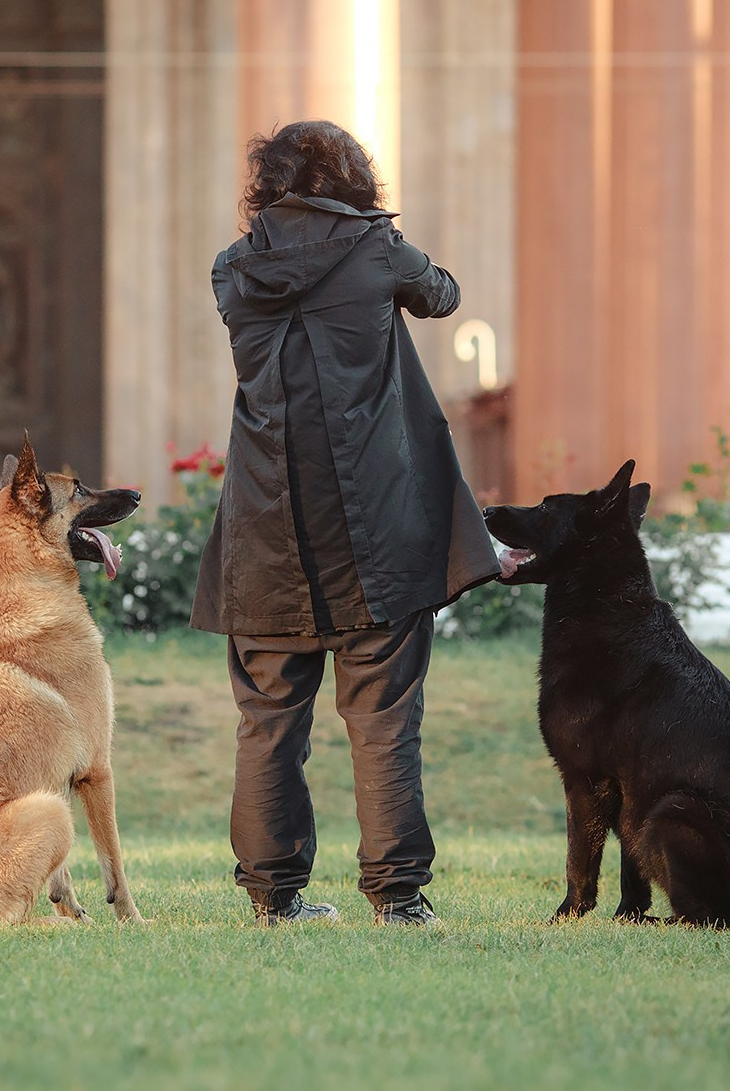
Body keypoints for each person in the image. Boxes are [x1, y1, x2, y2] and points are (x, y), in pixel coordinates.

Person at [190, 120, 500, 927]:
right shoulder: (377, 250)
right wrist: (385, 244)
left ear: (268, 183)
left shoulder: (235, 267)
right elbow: (444, 295)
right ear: (355, 177)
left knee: (267, 720)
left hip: (265, 525)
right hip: (376, 524)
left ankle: (272, 898)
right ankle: (398, 899)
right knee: (384, 715)